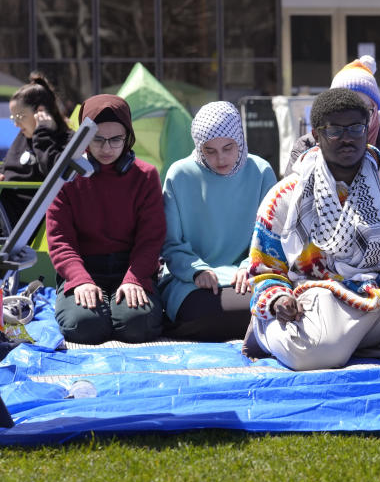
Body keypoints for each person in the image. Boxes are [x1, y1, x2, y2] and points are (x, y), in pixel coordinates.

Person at [245, 88, 380, 371]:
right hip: (321, 295)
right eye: (335, 130)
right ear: (316, 135)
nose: (348, 137)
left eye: (355, 128)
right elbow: (265, 267)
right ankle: (268, 332)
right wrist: (277, 296)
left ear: (368, 129)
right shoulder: (286, 195)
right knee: (310, 355)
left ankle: (347, 343)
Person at [46, 94, 165, 344]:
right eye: (97, 139)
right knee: (84, 326)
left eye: (116, 139)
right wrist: (79, 280)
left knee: (138, 325)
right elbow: (60, 240)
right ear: (84, 137)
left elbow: (151, 238)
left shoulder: (146, 176)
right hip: (83, 267)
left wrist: (135, 278)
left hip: (132, 267)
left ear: (128, 137)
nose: (107, 148)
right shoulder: (66, 176)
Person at [159, 101, 277, 341]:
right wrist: (197, 270)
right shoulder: (179, 174)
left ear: (240, 140)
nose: (220, 158)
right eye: (209, 151)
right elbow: (170, 243)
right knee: (205, 313)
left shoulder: (261, 171)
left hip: (248, 277)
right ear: (198, 147)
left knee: (263, 308)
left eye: (228, 147)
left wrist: (249, 266)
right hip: (190, 281)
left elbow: (271, 237)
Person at [283, 56, 380, 178]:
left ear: (375, 111)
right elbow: (288, 198)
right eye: (343, 109)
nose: (352, 120)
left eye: (363, 111)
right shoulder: (306, 147)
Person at [0, 72, 72, 227]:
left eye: (19, 117)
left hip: (25, 217)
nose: (16, 124)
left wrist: (42, 134)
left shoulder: (64, 139)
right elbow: (9, 168)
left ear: (40, 112)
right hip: (5, 208)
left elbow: (56, 173)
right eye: (14, 118)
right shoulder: (24, 136)